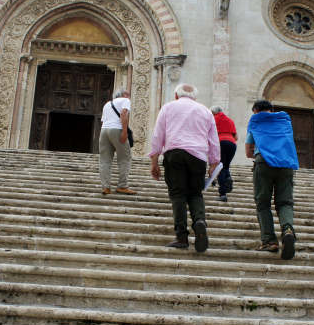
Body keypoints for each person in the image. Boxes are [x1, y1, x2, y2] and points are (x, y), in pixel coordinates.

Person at [150, 83, 220, 252]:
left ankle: (181, 237)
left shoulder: (168, 107)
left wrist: (154, 161)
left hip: (175, 154)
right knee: (195, 193)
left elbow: (158, 135)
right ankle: (199, 221)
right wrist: (213, 163)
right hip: (198, 156)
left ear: (176, 95)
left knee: (178, 194)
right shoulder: (205, 111)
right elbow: (213, 140)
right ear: (194, 97)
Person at [245, 100, 298, 260]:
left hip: (263, 163)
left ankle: (269, 241)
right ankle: (288, 230)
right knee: (285, 202)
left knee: (263, 203)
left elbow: (248, 151)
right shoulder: (284, 121)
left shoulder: (255, 121)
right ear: (272, 109)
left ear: (255, 110)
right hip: (286, 164)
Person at [99, 89, 136, 195]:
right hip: (117, 129)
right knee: (125, 158)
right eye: (128, 94)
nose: (129, 97)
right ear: (123, 95)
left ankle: (106, 187)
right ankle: (122, 186)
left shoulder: (107, 104)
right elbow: (123, 114)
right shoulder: (125, 100)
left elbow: (103, 120)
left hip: (104, 131)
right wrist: (124, 132)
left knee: (105, 160)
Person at [210, 105, 238, 202]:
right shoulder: (230, 120)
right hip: (232, 144)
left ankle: (222, 194)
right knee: (225, 166)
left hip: (220, 142)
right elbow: (236, 137)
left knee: (220, 167)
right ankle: (228, 177)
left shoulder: (213, 119)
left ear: (213, 113)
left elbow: (210, 135)